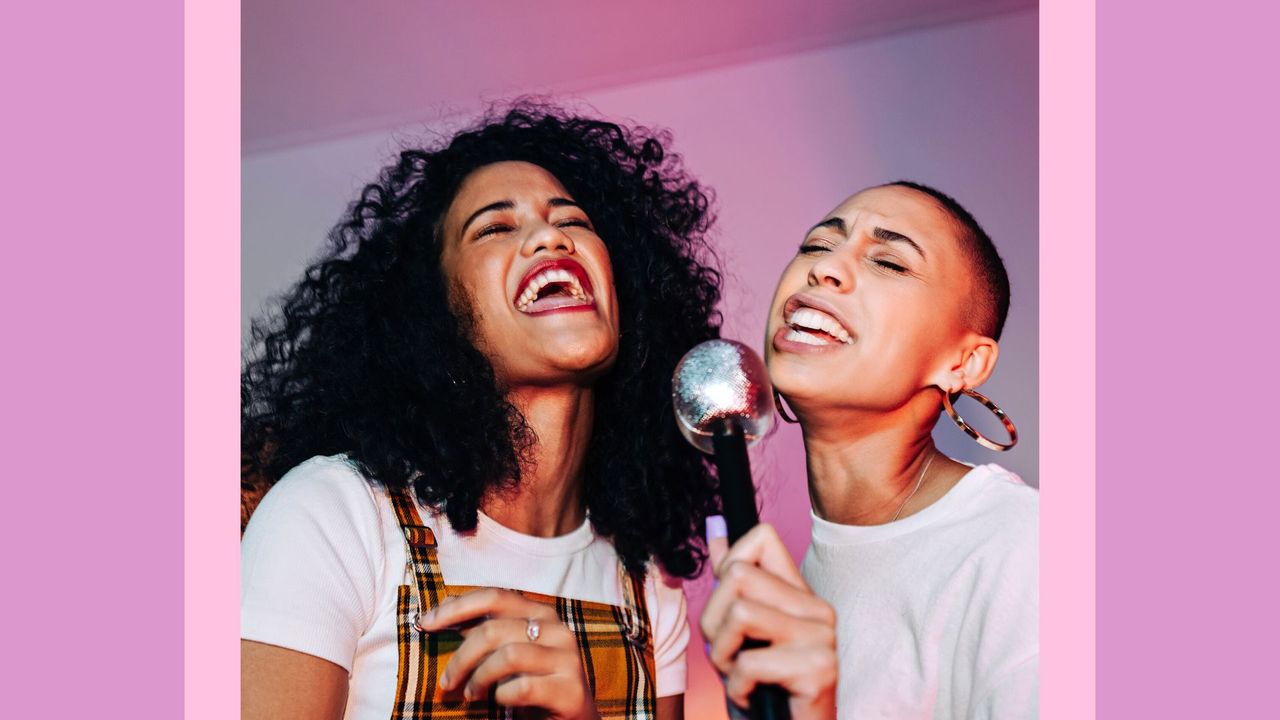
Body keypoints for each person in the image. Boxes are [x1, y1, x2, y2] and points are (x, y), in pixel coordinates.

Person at [240, 103, 725, 720]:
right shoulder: (334, 513)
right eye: (494, 228)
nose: (551, 237)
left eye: (572, 220)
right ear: (434, 313)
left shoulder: (649, 585)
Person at [700, 181, 1038, 719]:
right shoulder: (786, 591)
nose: (825, 269)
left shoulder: (1027, 549)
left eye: (890, 262)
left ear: (965, 364)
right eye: (816, 245)